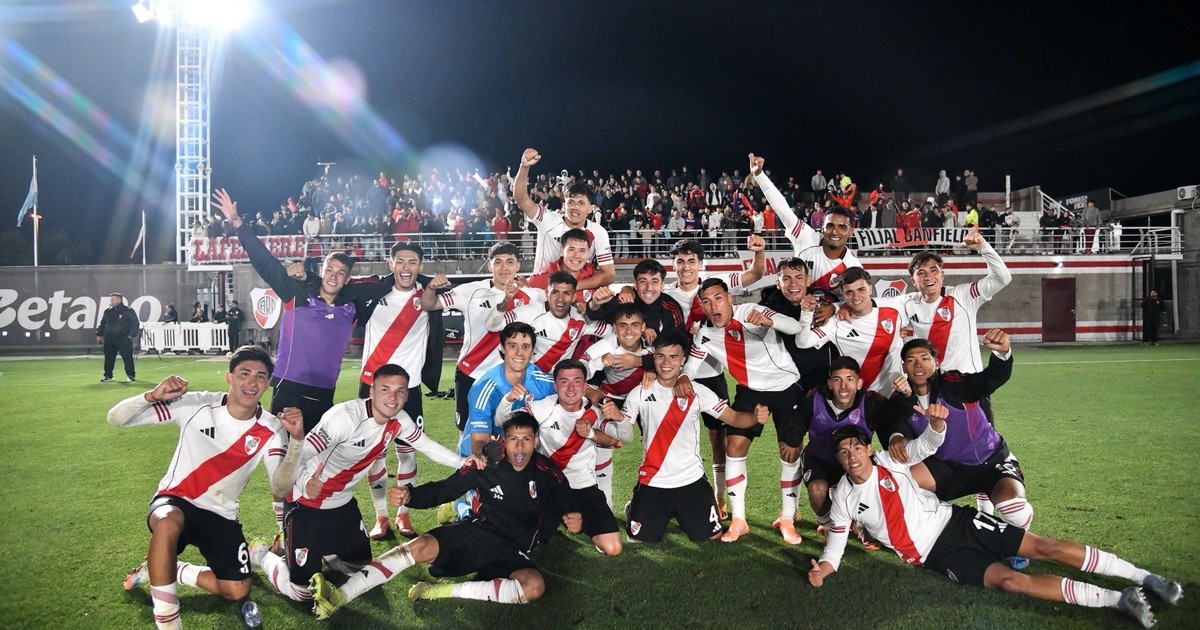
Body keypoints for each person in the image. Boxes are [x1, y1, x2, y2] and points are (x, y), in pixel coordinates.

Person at [808, 424, 1183, 629]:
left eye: (856, 447)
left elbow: (928, 443)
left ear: (866, 448)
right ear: (839, 459)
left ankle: (1145, 577)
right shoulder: (843, 498)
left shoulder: (891, 460)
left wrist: (936, 424)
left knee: (1044, 547)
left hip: (958, 523)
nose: (851, 455)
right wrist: (822, 571)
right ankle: (1119, 599)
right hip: (937, 557)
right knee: (1012, 582)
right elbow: (834, 549)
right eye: (843, 451)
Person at [309, 414, 582, 617]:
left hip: (512, 548)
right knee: (420, 546)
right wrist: (410, 496)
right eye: (514, 439)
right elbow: (445, 489)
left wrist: (574, 517)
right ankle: (340, 595)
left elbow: (567, 500)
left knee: (534, 587)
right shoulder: (485, 466)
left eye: (526, 439)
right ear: (504, 441)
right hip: (477, 532)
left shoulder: (548, 473)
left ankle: (436, 591)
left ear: (536, 441)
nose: (520, 447)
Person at [111, 347, 304, 630]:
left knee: (238, 590)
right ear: (229, 377)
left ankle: (167, 568)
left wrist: (296, 441)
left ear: (267, 384)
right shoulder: (196, 404)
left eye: (261, 376)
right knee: (167, 521)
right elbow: (116, 418)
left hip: (221, 515)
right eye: (245, 374)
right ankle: (168, 621)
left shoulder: (271, 427)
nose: (252, 382)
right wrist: (151, 396)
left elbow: (280, 486)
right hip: (175, 500)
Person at [248, 364, 468, 607]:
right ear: (371, 391)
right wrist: (305, 482)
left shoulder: (399, 420)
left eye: (400, 391)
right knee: (303, 593)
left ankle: (309, 548)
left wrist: (464, 462)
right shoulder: (344, 417)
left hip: (343, 505)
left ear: (407, 395)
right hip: (307, 502)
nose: (393, 397)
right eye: (385, 389)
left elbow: (427, 446)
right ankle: (261, 554)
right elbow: (301, 453)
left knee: (358, 568)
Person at [601, 331, 768, 543]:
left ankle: (683, 511)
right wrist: (619, 419)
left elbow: (733, 418)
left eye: (673, 357)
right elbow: (625, 436)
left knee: (712, 536)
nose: (666, 363)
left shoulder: (697, 391)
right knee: (638, 538)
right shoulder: (640, 392)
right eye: (661, 356)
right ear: (654, 358)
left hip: (691, 480)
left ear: (683, 360)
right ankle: (635, 506)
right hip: (654, 480)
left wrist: (754, 417)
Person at [686, 278, 808, 544]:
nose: (713, 306)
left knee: (790, 451)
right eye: (706, 301)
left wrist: (770, 322)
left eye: (718, 298)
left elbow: (796, 326)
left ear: (729, 298)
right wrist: (683, 378)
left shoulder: (752, 311)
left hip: (786, 386)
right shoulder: (704, 334)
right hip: (751, 391)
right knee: (734, 447)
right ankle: (739, 519)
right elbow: (690, 369)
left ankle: (788, 518)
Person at [662, 238, 765, 518]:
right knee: (671, 437)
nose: (686, 267)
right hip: (674, 378)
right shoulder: (664, 293)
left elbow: (755, 274)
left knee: (718, 438)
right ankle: (665, 492)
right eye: (680, 261)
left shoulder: (715, 286)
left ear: (701, 264)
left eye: (691, 261)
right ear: (673, 265)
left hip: (710, 374)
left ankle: (719, 496)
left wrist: (758, 252)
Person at [420, 241, 534, 434]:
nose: (504, 267)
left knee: (506, 433)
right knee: (466, 433)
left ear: (518, 266)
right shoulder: (470, 291)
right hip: (471, 373)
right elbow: (429, 305)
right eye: (498, 262)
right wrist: (430, 288)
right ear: (490, 266)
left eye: (509, 262)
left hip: (508, 378)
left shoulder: (531, 297)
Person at [516, 360, 623, 555]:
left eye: (577, 381)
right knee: (524, 543)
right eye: (564, 381)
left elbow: (614, 440)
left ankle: (577, 521)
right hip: (549, 486)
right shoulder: (543, 407)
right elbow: (514, 424)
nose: (571, 388)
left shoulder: (596, 410)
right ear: (555, 385)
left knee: (613, 547)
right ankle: (557, 519)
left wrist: (591, 433)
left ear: (585, 385)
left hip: (583, 486)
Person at [796, 356, 893, 536]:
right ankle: (828, 527)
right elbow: (795, 424)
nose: (843, 386)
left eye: (850, 379)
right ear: (830, 383)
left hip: (855, 461)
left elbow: (894, 424)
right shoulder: (815, 399)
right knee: (817, 492)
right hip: (819, 459)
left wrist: (896, 439)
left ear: (859, 383)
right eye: (837, 380)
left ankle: (861, 522)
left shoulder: (871, 403)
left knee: (873, 492)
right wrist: (791, 440)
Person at [751, 154, 861, 303]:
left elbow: (859, 304)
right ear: (822, 228)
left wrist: (833, 309)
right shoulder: (806, 236)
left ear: (851, 231)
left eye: (842, 227)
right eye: (830, 226)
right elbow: (782, 208)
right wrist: (759, 175)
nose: (835, 231)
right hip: (791, 309)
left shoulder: (853, 267)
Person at [902, 228, 1012, 374]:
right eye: (921, 273)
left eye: (934, 271)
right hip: (931, 383)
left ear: (942, 275)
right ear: (913, 281)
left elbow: (1001, 279)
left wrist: (983, 247)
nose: (928, 277)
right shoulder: (907, 304)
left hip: (967, 383)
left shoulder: (963, 296)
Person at [513, 148, 615, 291]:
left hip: (577, 294)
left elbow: (609, 275)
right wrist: (524, 167)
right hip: (541, 290)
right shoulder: (548, 220)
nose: (575, 207)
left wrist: (570, 287)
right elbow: (521, 198)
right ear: (564, 205)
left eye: (581, 203)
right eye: (571, 202)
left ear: (590, 208)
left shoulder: (598, 231)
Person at [794, 267, 906, 396]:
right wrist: (806, 313)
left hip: (896, 391)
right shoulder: (836, 322)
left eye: (861, 289)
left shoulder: (895, 308)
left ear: (870, 288)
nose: (856, 296)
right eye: (849, 292)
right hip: (861, 396)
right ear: (842, 293)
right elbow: (802, 342)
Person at [462, 322, 556, 457]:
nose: (519, 353)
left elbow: (571, 388)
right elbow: (478, 442)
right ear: (502, 348)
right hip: (479, 456)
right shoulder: (484, 387)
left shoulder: (540, 381)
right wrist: (488, 450)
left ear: (532, 351)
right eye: (512, 346)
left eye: (525, 347)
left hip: (517, 454)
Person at [97, 293, 140, 383]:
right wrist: (99, 334)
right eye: (111, 299)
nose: (111, 301)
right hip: (109, 339)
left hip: (123, 338)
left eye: (113, 299)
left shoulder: (128, 310)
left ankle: (131, 375)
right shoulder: (108, 311)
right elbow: (103, 323)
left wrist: (131, 335)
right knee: (108, 358)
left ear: (119, 300)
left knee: (127, 358)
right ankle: (108, 376)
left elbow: (135, 324)